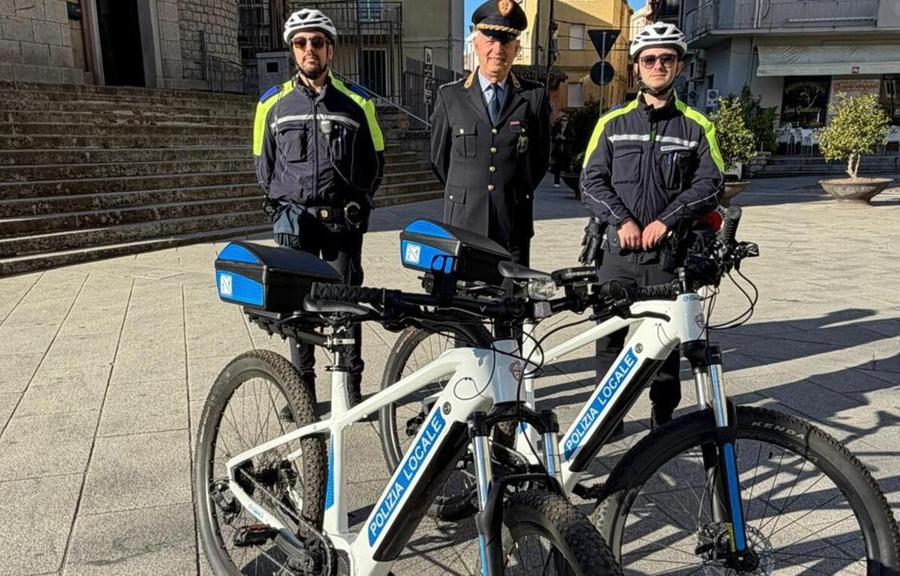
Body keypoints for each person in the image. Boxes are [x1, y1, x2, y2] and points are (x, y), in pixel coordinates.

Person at [580, 21, 724, 429]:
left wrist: (666, 220)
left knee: (666, 345)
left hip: (666, 254)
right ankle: (606, 422)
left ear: (678, 66)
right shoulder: (612, 124)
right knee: (609, 340)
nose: (658, 65)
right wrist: (620, 219)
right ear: (636, 68)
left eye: (667, 59)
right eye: (649, 59)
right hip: (617, 253)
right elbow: (589, 182)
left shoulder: (697, 125)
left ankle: (664, 424)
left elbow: (711, 184)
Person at [253, 8, 385, 409]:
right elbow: (264, 167)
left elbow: (375, 164)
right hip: (297, 225)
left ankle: (350, 389)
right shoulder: (271, 106)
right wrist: (284, 206)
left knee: (347, 303)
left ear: (330, 49)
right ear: (293, 50)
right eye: (300, 42)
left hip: (342, 224)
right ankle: (303, 395)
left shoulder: (357, 104)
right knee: (297, 309)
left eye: (317, 42)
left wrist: (357, 204)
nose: (309, 49)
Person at [430, 0, 550, 269]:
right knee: (464, 305)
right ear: (476, 44)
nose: (498, 49)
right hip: (463, 224)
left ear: (516, 48)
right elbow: (440, 161)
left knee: (512, 305)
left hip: (513, 224)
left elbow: (540, 160)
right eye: (490, 40)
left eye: (506, 42)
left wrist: (512, 191)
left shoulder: (533, 97)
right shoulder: (450, 97)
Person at [551, 115, 572, 187]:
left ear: (567, 122)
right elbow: (552, 138)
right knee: (557, 166)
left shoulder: (569, 129)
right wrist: (556, 138)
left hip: (566, 151)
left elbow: (573, 139)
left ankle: (569, 183)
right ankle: (557, 182)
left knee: (567, 167)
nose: (563, 122)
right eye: (562, 120)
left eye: (565, 120)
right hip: (558, 150)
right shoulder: (556, 128)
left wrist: (565, 138)